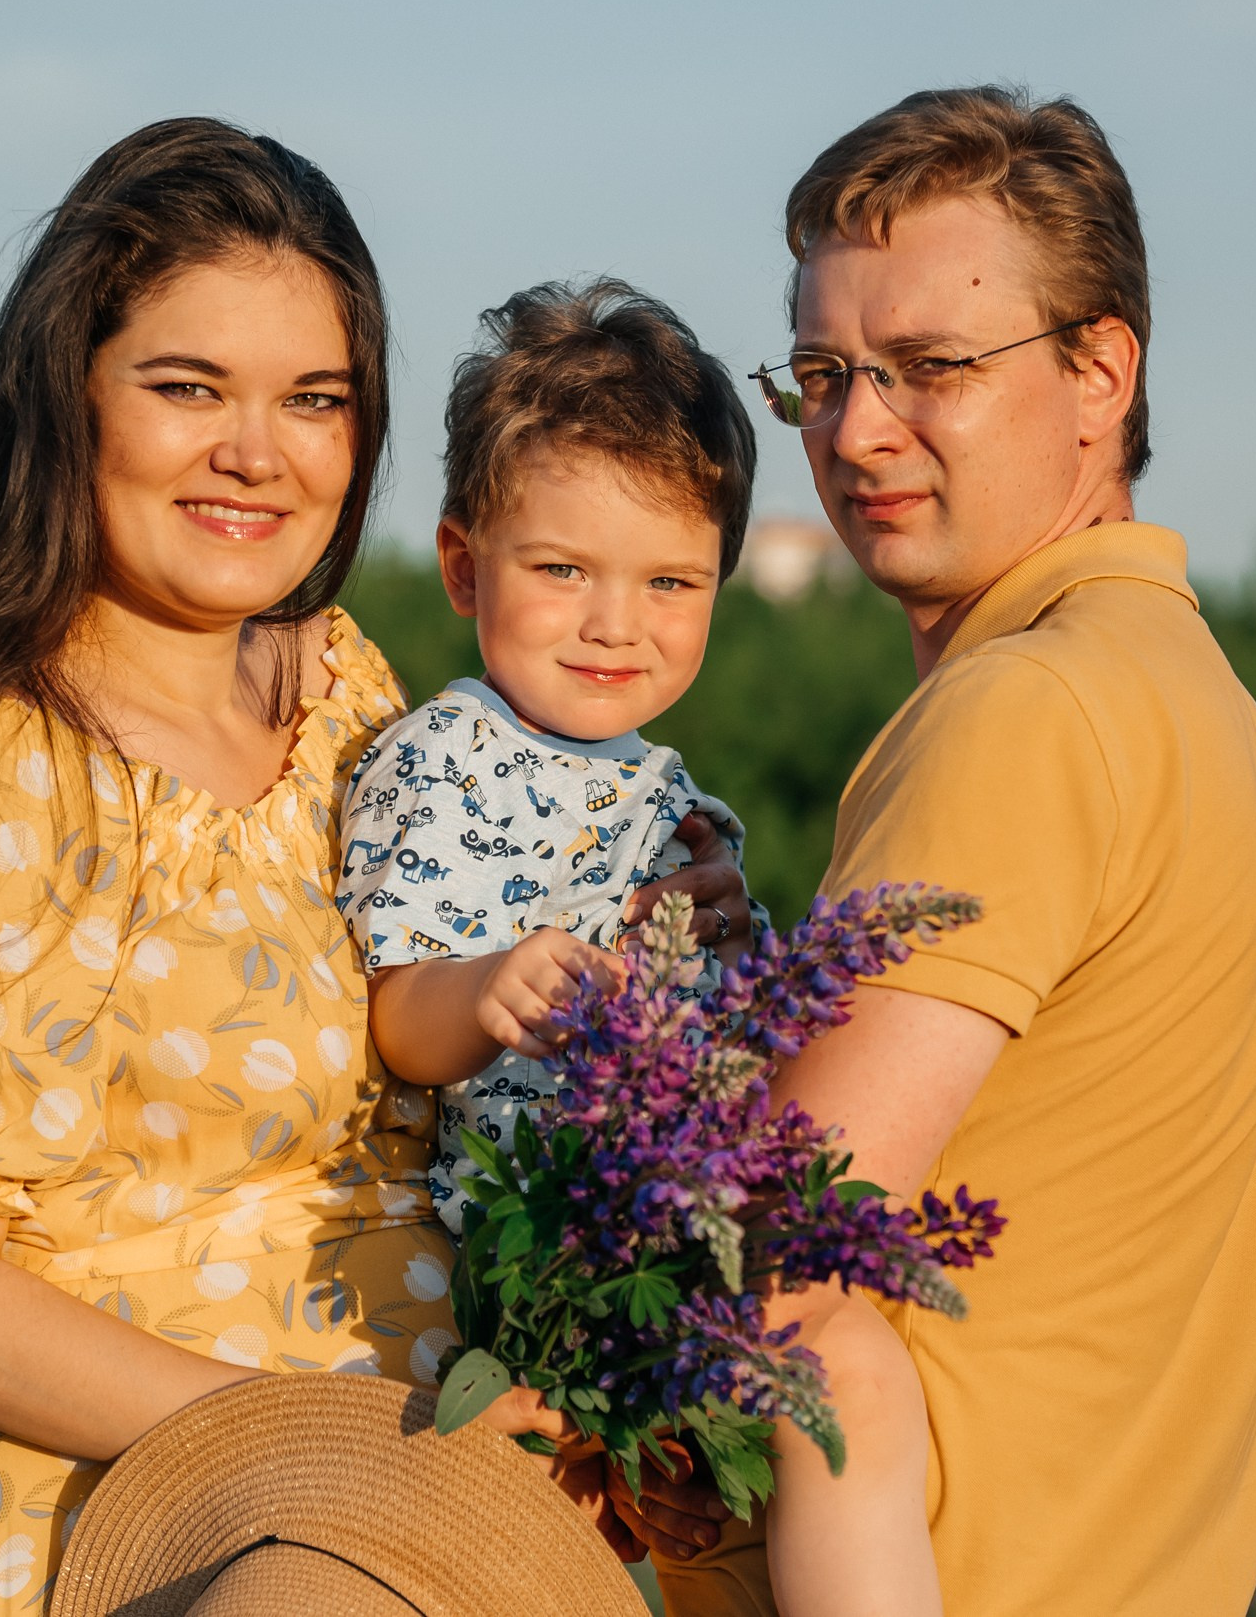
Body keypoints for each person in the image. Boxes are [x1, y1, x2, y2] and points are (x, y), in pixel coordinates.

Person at [0, 119, 738, 1616]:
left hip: (425, 1505)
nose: (255, 453)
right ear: (70, 397)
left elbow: (466, 979)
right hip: (148, 1528)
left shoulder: (344, 690)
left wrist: (651, 925)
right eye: (186, 386)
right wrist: (320, 1439)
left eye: (315, 398)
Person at [662, 87, 1256, 1617]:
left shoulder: (1024, 712)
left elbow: (780, 1239)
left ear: (1100, 369)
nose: (858, 427)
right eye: (822, 374)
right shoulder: (1201, 706)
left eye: (934, 367)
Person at [337, 278, 948, 1617]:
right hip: (522, 1242)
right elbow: (391, 1017)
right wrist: (482, 991)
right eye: (563, 570)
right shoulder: (441, 759)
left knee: (848, 1386)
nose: (617, 621)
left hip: (661, 1227)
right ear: (462, 566)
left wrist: (744, 954)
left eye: (670, 580)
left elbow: (738, 1037)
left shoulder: (673, 797)